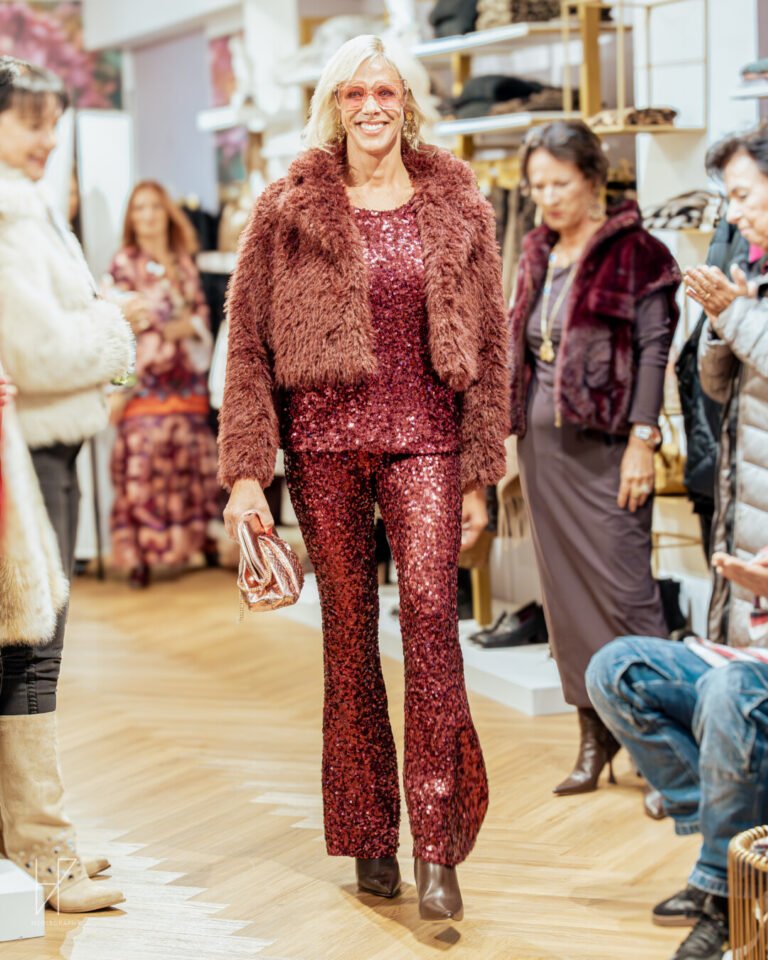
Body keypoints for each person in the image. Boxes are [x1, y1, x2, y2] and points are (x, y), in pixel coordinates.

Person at [219, 35, 509, 922]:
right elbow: (247, 346)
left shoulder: (458, 202)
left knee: (431, 622)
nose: (372, 106)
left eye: (386, 91)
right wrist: (246, 475)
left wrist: (479, 469)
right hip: (323, 444)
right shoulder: (287, 206)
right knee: (347, 637)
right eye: (355, 93)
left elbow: (491, 344)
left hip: (426, 437)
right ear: (334, 105)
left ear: (408, 102)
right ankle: (367, 830)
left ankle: (439, 842)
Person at [586, 126, 768, 960]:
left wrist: (737, 315)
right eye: (730, 198)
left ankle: (726, 890)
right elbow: (721, 393)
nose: (736, 213)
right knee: (616, 670)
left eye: (744, 195)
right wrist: (727, 320)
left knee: (729, 695)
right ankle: (727, 854)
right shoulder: (752, 280)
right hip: (749, 618)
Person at [507, 120, 681, 795]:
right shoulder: (536, 253)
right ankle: (594, 735)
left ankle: (664, 750)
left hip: (608, 450)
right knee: (565, 600)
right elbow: (522, 349)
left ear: (593, 179)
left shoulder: (640, 253)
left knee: (628, 595)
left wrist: (643, 437)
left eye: (560, 183)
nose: (548, 198)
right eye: (537, 186)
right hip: (543, 453)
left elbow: (655, 352)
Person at [0, 56, 132, 911]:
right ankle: (43, 854)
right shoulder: (9, 211)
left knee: (25, 645)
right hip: (24, 452)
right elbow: (40, 350)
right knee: (29, 648)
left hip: (42, 447)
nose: (47, 139)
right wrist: (116, 329)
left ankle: (31, 845)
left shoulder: (27, 204)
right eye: (31, 122)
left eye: (54, 123)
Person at [106, 181, 220, 589]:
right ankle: (140, 555)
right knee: (142, 464)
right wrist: (120, 386)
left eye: (155, 207)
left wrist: (184, 327)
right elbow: (118, 327)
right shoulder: (124, 264)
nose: (148, 216)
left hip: (184, 382)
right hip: (143, 385)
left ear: (167, 213)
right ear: (131, 218)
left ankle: (197, 541)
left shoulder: (183, 263)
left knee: (191, 463)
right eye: (140, 209)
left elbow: (201, 316)